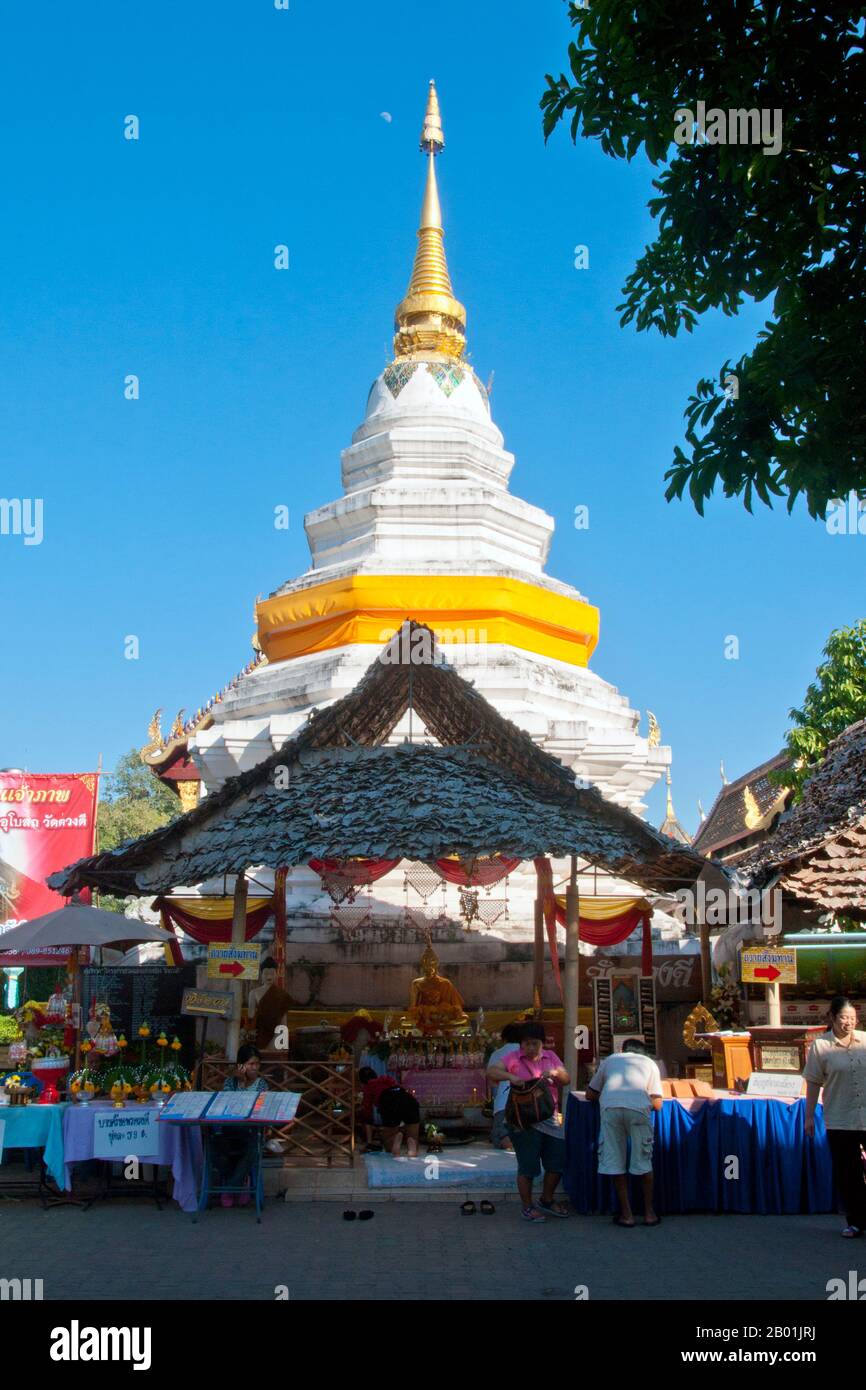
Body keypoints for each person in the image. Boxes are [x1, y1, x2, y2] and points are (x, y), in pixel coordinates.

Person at [487, 1021, 570, 1222]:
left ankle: (547, 1199)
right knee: (527, 1166)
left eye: (535, 1044)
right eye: (526, 1044)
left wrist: (556, 1073)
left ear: (542, 1043)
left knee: (557, 1163)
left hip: (549, 1117)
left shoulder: (550, 1057)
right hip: (523, 1120)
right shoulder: (513, 1058)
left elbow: (566, 1078)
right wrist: (510, 1077)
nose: (530, 1048)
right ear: (521, 1044)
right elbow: (491, 1072)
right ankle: (527, 1206)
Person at [804, 996, 866, 1237]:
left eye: (852, 1018)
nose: (848, 1022)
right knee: (849, 1174)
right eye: (843, 1018)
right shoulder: (821, 1046)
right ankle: (857, 1222)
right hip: (840, 1117)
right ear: (832, 1017)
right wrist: (809, 1116)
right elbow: (813, 1082)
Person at [585, 1038, 664, 1228]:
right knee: (644, 1163)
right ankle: (649, 1213)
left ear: (621, 1049)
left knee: (615, 1163)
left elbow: (589, 1094)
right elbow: (658, 1104)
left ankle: (627, 1215)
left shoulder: (610, 1060)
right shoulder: (650, 1064)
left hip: (610, 1110)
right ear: (643, 1052)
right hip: (638, 1111)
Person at [211, 1043, 268, 1209]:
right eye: (250, 1064)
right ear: (241, 1065)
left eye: (257, 1064)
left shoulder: (261, 1084)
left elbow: (261, 1109)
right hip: (229, 1131)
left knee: (253, 1148)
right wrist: (241, 1084)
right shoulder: (230, 1083)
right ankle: (240, 1182)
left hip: (251, 1131)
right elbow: (228, 1105)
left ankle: (230, 1188)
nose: (254, 1068)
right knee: (214, 1147)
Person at [358, 1066, 420, 1158]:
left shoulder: (368, 1086)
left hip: (389, 1101)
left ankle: (394, 1143)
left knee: (389, 1141)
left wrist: (369, 1141)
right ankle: (412, 1146)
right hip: (408, 1099)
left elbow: (368, 1112)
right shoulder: (386, 1079)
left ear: (362, 1081)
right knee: (412, 1134)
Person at [486, 1022, 521, 1151]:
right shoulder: (528, 1054)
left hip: (503, 1104)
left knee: (502, 1137)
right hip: (526, 1106)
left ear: (503, 1038)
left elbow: (492, 1082)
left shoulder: (497, 1054)